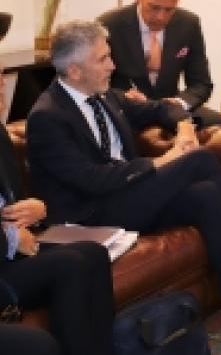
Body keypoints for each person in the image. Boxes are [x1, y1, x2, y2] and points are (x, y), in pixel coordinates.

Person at [26, 20, 221, 353]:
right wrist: (163, 161)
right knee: (199, 161)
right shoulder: (48, 117)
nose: (112, 65)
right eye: (103, 59)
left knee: (208, 197)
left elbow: (161, 108)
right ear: (74, 70)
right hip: (93, 214)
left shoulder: (104, 95)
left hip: (130, 197)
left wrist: (183, 128)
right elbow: (92, 180)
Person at [0, 71, 115, 355]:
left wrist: (36, 209)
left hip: (13, 246)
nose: (3, 83)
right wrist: (10, 238)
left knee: (94, 253)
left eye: (2, 74)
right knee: (70, 265)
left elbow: (12, 202)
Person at [98, 0, 221, 128]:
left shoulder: (189, 24)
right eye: (154, 7)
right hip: (128, 109)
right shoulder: (109, 24)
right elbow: (95, 82)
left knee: (219, 123)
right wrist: (124, 97)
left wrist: (180, 102)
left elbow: (201, 84)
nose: (161, 17)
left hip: (171, 108)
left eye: (169, 10)